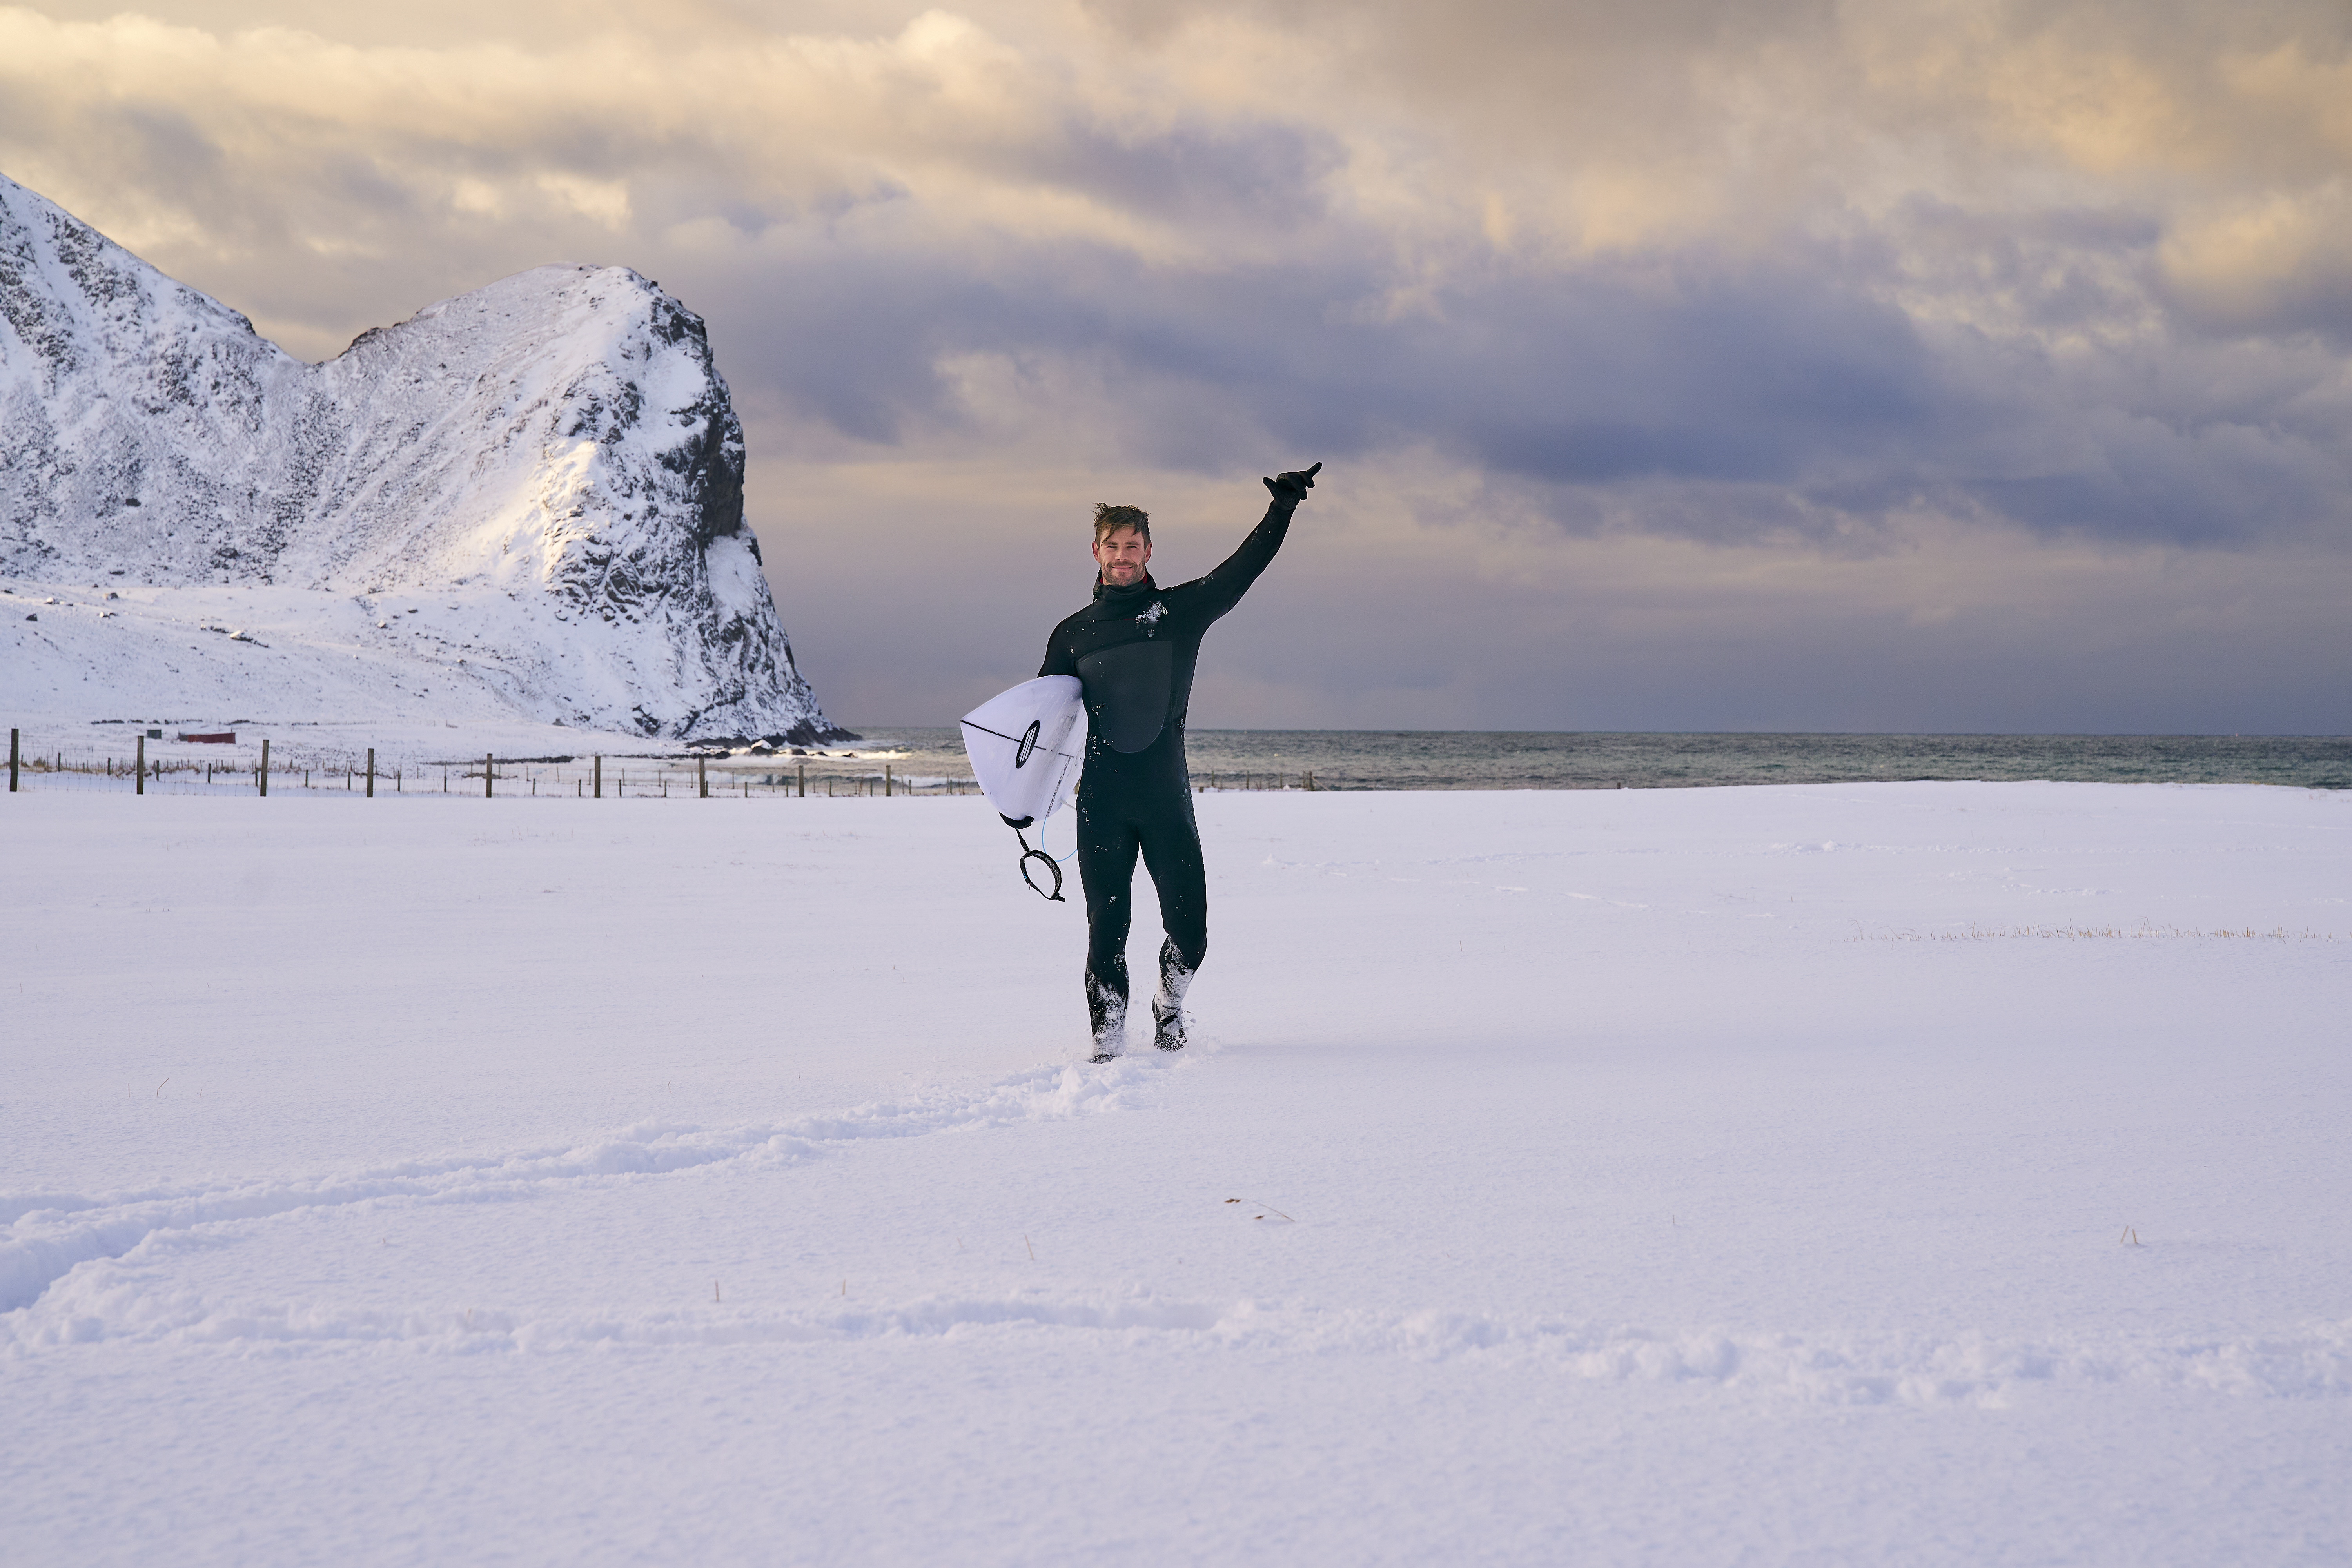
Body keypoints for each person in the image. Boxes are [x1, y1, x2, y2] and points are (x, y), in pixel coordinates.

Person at [1038, 463, 1322, 1061]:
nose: (1122, 555)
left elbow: (1239, 573)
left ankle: (1168, 1005)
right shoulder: (1072, 635)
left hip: (1166, 799)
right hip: (1102, 806)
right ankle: (1107, 1044)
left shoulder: (1179, 613)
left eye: (1132, 545)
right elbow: (1041, 725)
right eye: (1112, 546)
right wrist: (1022, 798)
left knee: (1191, 934)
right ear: (1095, 551)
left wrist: (1283, 509)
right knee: (1106, 936)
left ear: (1148, 549)